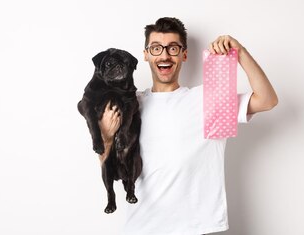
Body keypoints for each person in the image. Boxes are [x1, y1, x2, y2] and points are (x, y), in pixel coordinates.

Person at [97, 17, 278, 234]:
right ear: (146, 55)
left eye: (173, 48)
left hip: (196, 228)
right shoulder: (128, 105)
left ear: (184, 54)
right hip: (141, 228)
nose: (164, 55)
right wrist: (106, 138)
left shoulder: (209, 98)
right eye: (156, 48)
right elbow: (113, 171)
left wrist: (240, 52)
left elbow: (267, 100)